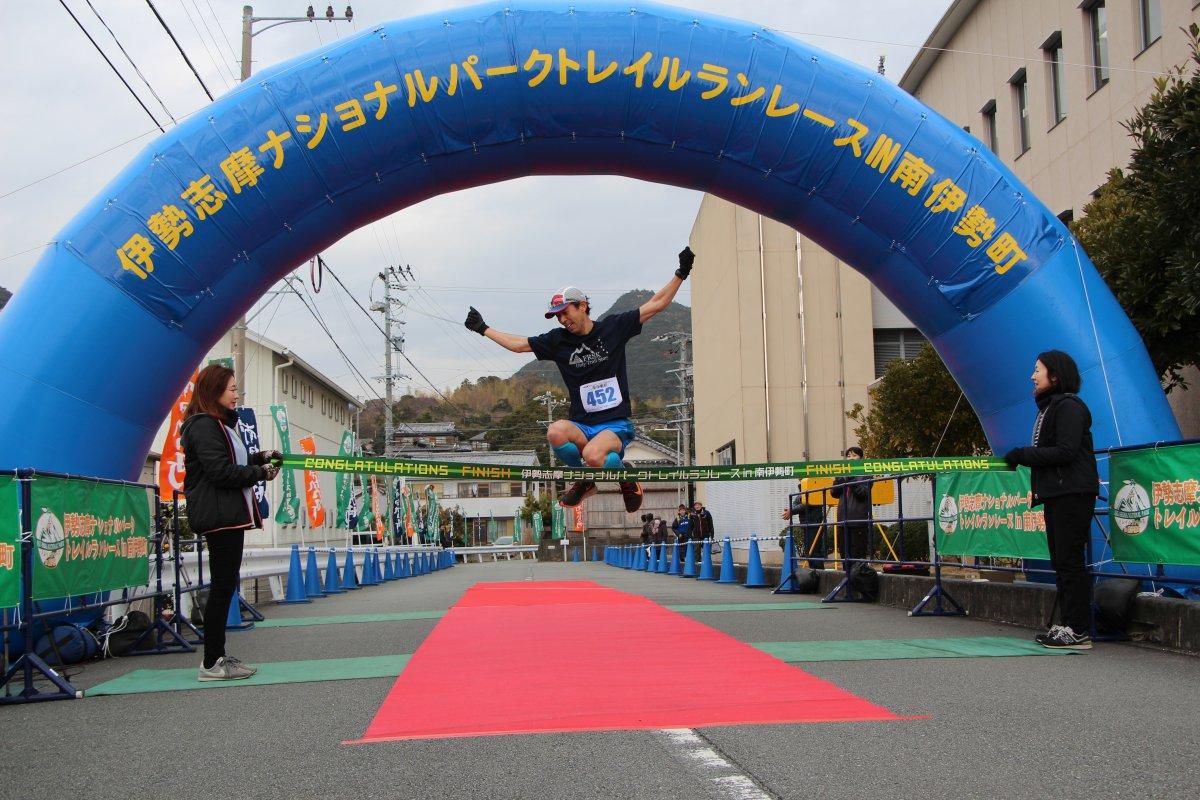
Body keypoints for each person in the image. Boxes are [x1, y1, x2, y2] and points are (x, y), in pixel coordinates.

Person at [464, 247, 696, 513]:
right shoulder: (558, 340)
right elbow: (518, 345)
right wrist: (483, 329)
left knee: (596, 455)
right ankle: (589, 480)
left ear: (582, 306)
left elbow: (656, 304)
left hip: (614, 425)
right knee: (556, 432)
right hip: (583, 426)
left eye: (565, 312)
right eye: (557, 316)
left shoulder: (613, 327)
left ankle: (622, 478)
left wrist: (681, 273)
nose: (562, 320)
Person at [181, 364, 281, 681]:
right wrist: (260, 473)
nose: (237, 395)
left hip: (229, 515)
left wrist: (259, 458)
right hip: (219, 516)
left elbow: (232, 463)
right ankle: (212, 661)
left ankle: (217, 657)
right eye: (232, 389)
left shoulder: (221, 425)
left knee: (225, 585)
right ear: (214, 391)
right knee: (222, 586)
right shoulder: (203, 427)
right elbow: (221, 473)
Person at [1004, 350, 1099, 650]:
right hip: (1058, 492)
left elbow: (1066, 450)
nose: (1032, 376)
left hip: (1073, 492)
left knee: (1070, 561)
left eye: (1037, 370)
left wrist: (1023, 455)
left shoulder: (1069, 406)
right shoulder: (1049, 407)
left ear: (1055, 375)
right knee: (1061, 561)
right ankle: (1069, 623)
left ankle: (1078, 629)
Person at [829, 447, 872, 564]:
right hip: (842, 520)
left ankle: (857, 580)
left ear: (861, 458)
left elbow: (863, 494)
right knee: (844, 554)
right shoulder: (843, 473)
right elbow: (834, 493)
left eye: (854, 456)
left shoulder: (866, 474)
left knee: (857, 554)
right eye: (848, 456)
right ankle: (847, 579)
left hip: (858, 520)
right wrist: (839, 480)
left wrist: (851, 479)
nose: (850, 458)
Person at [780, 480, 827, 568]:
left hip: (814, 522)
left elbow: (807, 503)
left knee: (814, 551)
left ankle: (818, 573)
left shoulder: (814, 485)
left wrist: (792, 510)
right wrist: (791, 509)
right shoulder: (803, 487)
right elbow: (797, 502)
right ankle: (814, 573)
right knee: (809, 551)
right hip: (807, 523)